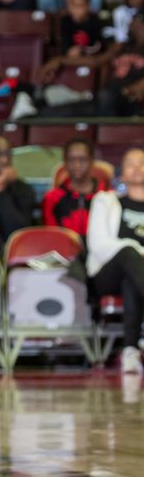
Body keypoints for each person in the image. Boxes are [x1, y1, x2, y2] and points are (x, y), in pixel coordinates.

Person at [87, 147, 144, 374]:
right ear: (122, 173)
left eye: (142, 162)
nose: (138, 167)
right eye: (131, 163)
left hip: (134, 277)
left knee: (132, 278)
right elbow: (98, 245)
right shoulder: (106, 201)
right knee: (128, 253)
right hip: (105, 273)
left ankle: (130, 349)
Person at [38, 0, 108, 85]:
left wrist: (82, 49)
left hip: (89, 60)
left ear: (88, 6)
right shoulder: (65, 21)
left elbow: (99, 46)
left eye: (81, 6)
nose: (77, 10)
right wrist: (69, 51)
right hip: (69, 60)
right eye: (74, 5)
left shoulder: (95, 22)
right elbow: (64, 44)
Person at [43, 137, 109, 237]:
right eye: (71, 159)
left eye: (82, 159)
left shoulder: (107, 196)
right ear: (65, 162)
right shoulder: (52, 198)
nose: (77, 165)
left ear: (91, 161)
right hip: (64, 250)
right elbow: (51, 236)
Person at [97, 13, 144, 116]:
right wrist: (60, 59)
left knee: (105, 97)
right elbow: (96, 61)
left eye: (133, 23)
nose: (129, 25)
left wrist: (140, 85)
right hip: (111, 93)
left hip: (133, 96)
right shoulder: (121, 46)